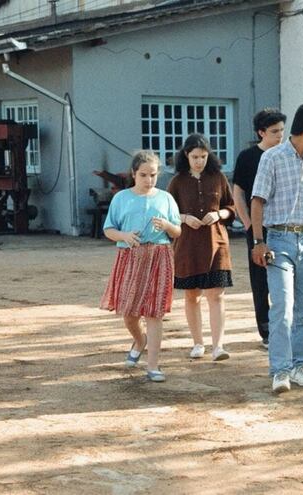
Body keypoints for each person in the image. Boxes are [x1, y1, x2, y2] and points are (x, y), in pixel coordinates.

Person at [250, 103, 303, 394]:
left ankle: (299, 366)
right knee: (282, 306)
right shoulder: (271, 158)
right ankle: (280, 370)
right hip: (279, 239)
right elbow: (257, 200)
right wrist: (259, 242)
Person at [100, 150, 182, 383]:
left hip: (159, 256)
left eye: (153, 175)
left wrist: (167, 225)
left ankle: (153, 365)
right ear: (134, 174)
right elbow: (108, 229)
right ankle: (140, 340)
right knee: (129, 312)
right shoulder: (121, 198)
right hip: (130, 257)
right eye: (143, 175)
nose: (149, 180)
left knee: (154, 313)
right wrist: (124, 235)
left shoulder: (166, 198)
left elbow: (177, 231)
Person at [168, 134, 236, 362]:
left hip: (216, 244)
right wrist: (185, 217)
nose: (199, 161)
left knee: (216, 295)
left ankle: (218, 346)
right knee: (191, 295)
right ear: (186, 155)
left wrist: (218, 214)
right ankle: (198, 343)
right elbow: (167, 213)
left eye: (203, 156)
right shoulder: (177, 181)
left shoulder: (218, 177)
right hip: (187, 246)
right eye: (195, 157)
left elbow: (230, 206)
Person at [232, 108, 287, 349]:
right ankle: (265, 331)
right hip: (257, 228)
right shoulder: (247, 157)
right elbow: (238, 191)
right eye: (274, 132)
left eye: (282, 131)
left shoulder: (287, 154)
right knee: (260, 279)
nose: (280, 136)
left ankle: (284, 328)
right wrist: (247, 223)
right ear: (261, 132)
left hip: (283, 226)